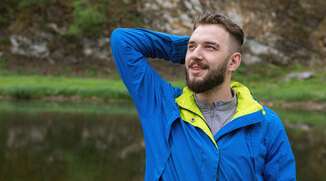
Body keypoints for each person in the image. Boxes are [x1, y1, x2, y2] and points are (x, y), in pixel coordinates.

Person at [110, 12, 296, 180]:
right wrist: (190, 51)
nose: (196, 55)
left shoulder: (266, 123)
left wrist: (198, 52)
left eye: (210, 47)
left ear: (233, 62)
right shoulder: (162, 106)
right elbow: (123, 41)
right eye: (192, 47)